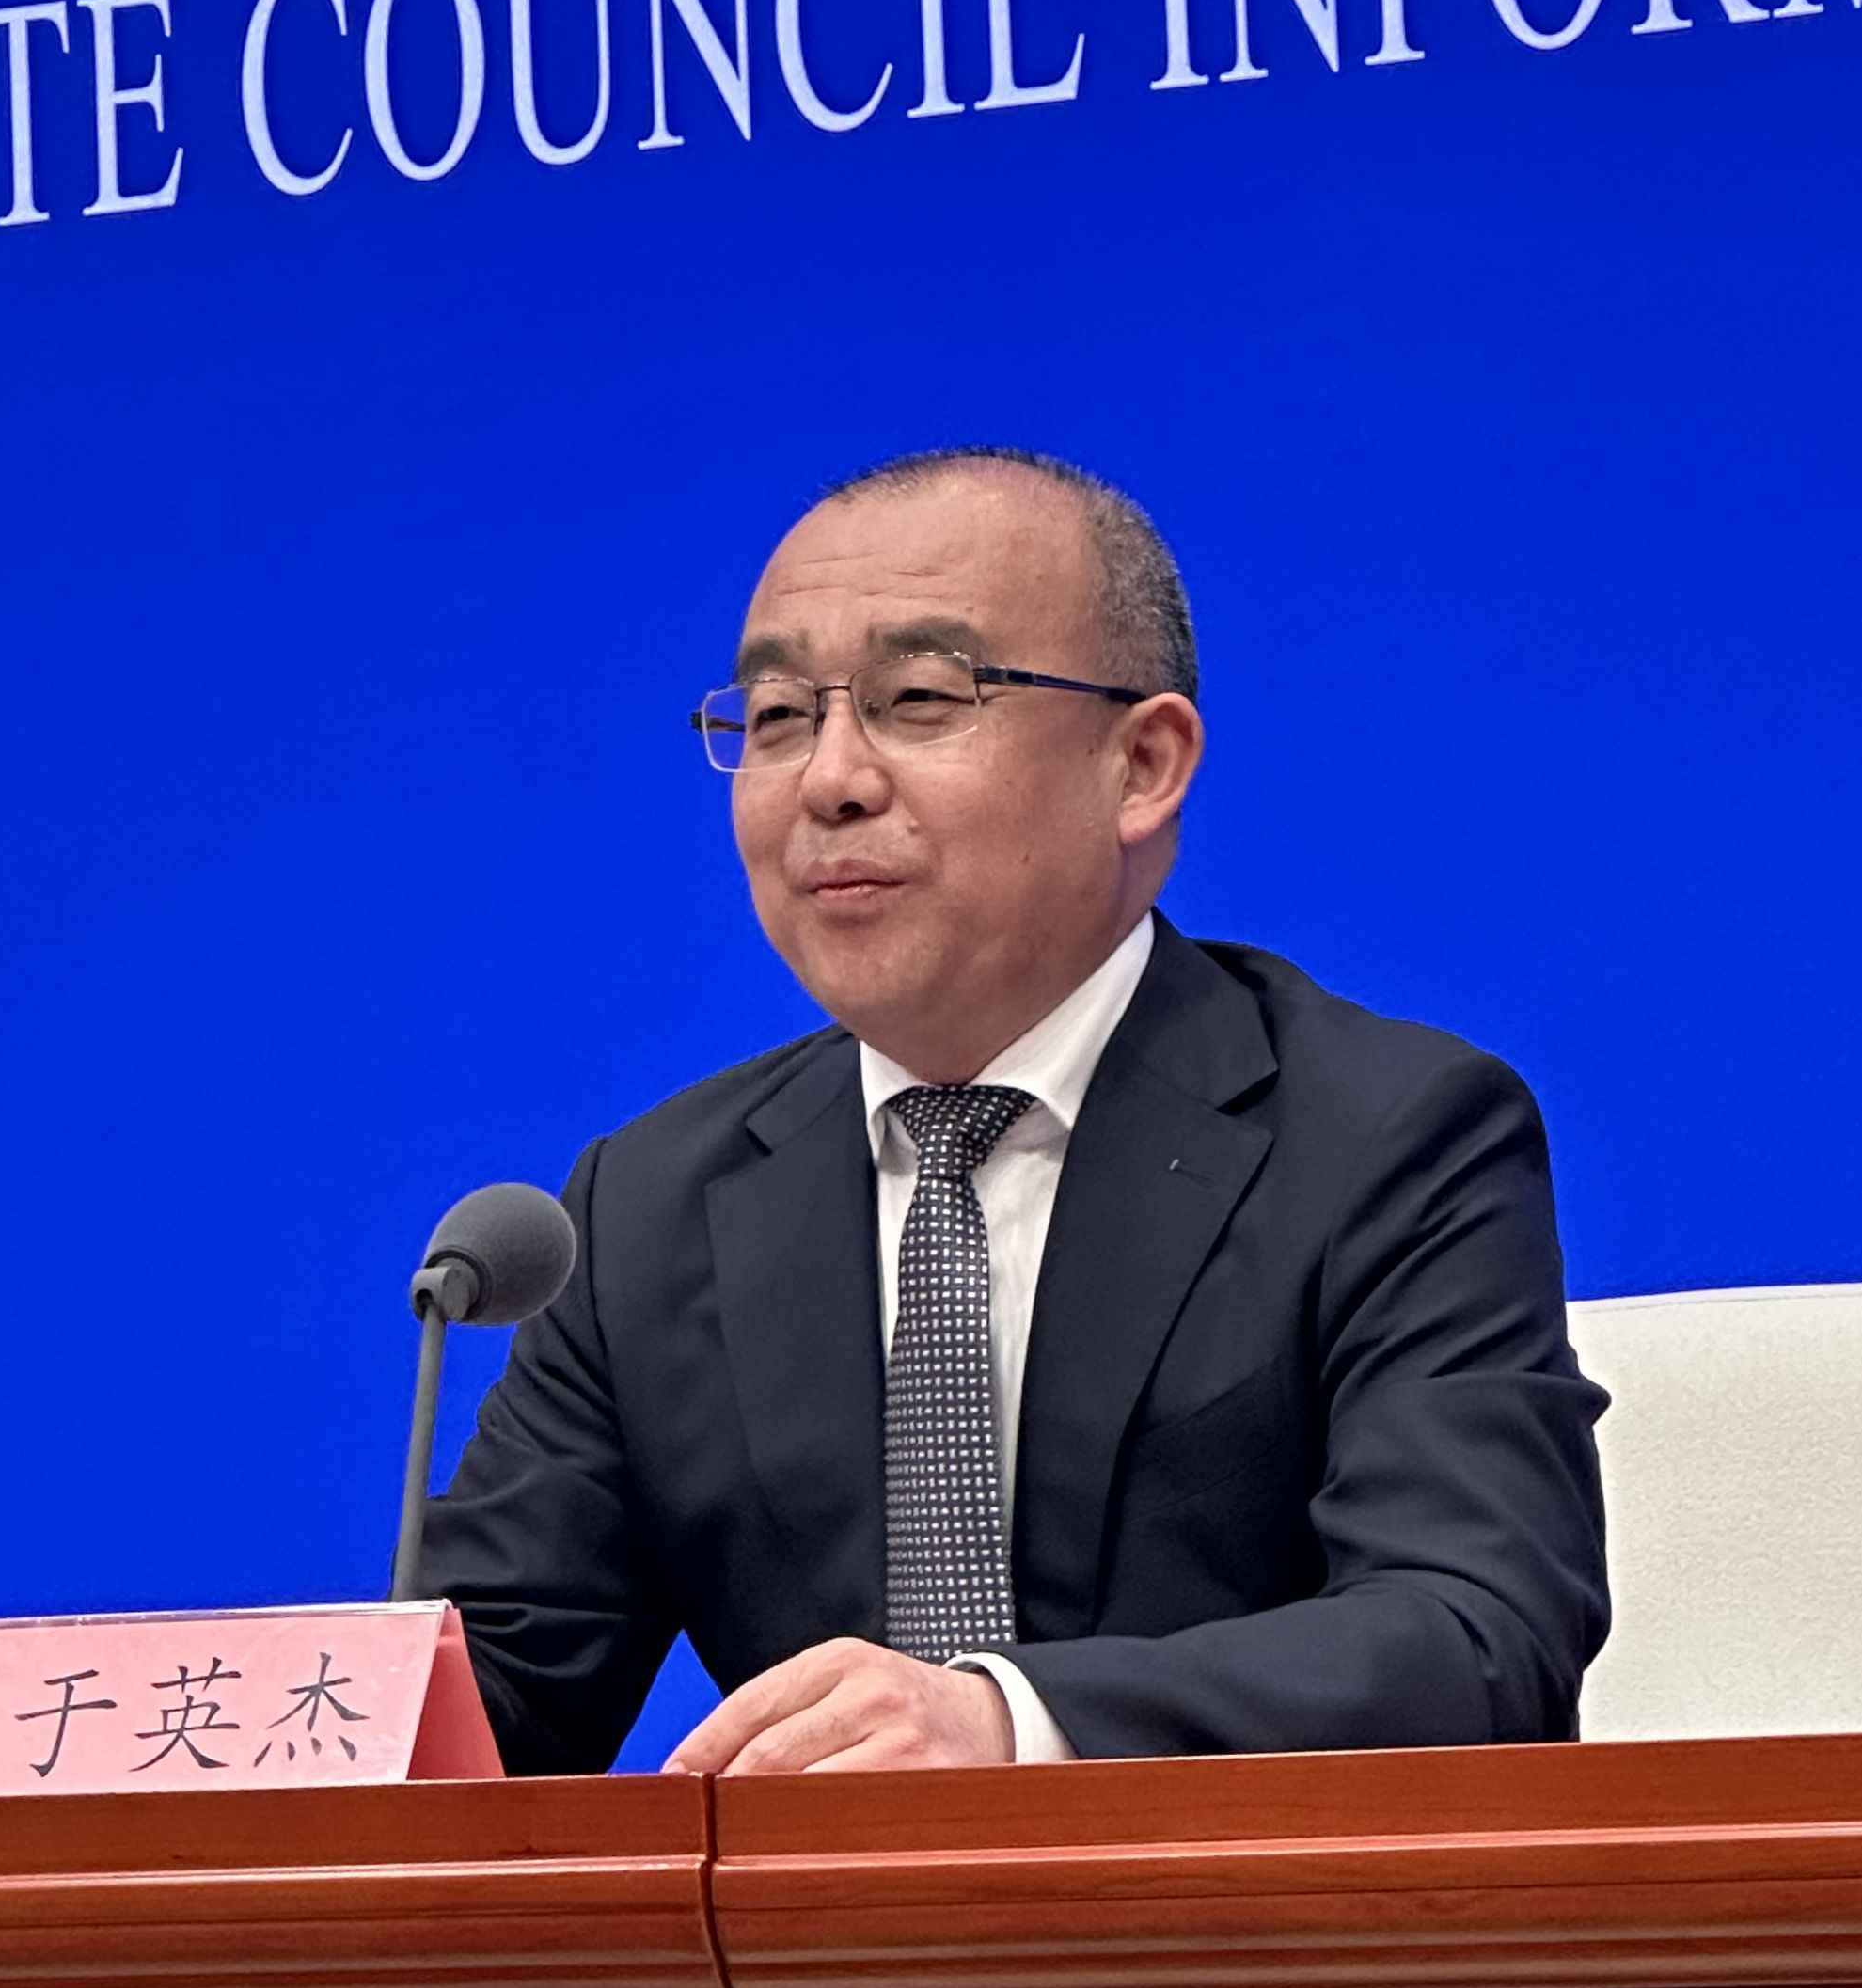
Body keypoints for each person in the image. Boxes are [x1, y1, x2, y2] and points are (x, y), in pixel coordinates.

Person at [422, 448, 1608, 1775]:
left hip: (1231, 1906)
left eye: (920, 698)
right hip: (817, 1921)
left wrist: (1009, 1724)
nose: (829, 778)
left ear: (1142, 764)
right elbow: (477, 1713)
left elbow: (1475, 1635)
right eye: (777, 717)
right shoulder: (649, 1208)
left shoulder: (1391, 1135)